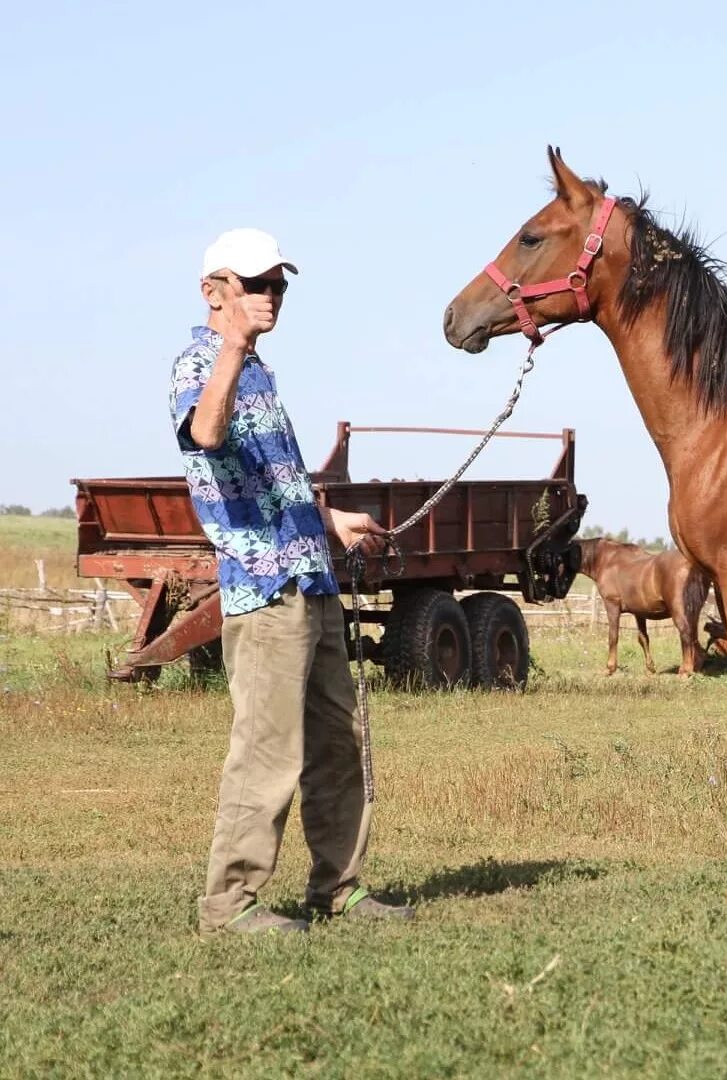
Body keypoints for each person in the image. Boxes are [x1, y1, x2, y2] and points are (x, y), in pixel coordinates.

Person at [171, 228, 413, 935]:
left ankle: (337, 889)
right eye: (255, 285)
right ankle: (229, 904)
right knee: (268, 751)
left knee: (338, 742)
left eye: (278, 285)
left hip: (311, 577)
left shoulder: (261, 375)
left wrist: (329, 517)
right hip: (262, 589)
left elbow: (271, 478)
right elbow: (206, 437)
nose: (270, 297)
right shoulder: (199, 363)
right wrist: (234, 347)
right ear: (214, 292)